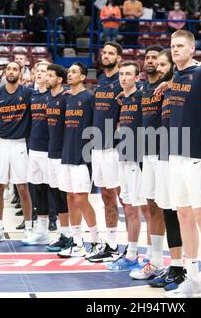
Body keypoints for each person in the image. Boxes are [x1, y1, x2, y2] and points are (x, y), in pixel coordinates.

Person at [160, 30, 201, 298]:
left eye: (181, 45)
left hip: (196, 155)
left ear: (192, 49)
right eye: (172, 46)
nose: (175, 49)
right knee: (183, 214)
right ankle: (193, 279)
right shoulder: (176, 75)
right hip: (175, 155)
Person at [146, 48, 186, 291]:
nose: (159, 68)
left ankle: (183, 269)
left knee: (180, 213)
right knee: (168, 211)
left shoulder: (184, 86)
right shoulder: (161, 89)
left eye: (163, 64)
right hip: (161, 154)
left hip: (180, 155)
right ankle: (175, 266)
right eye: (157, 64)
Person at [0, 61, 34, 243]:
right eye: (9, 69)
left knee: (22, 187)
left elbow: (46, 96)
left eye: (15, 69)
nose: (11, 71)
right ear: (5, 73)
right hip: (0, 143)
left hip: (20, 144)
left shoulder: (28, 94)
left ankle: (29, 229)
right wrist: (1, 129)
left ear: (21, 74)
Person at [129, 45, 166, 280]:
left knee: (167, 208)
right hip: (146, 152)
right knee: (151, 205)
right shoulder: (142, 89)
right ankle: (155, 260)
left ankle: (175, 263)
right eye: (148, 57)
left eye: (156, 58)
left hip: (166, 151)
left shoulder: (170, 87)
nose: (150, 61)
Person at [58, 62, 102, 258]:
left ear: (83, 77)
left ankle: (95, 240)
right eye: (68, 72)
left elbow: (97, 129)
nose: (69, 75)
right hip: (66, 154)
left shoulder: (89, 98)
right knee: (69, 197)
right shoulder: (66, 99)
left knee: (81, 199)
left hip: (83, 157)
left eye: (74, 72)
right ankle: (76, 241)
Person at [87, 42, 123, 263]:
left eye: (111, 53)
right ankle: (111, 244)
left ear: (118, 57)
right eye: (105, 52)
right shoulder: (101, 81)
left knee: (124, 199)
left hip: (114, 148)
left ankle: (132, 248)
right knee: (106, 197)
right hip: (98, 147)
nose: (106, 56)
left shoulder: (122, 80)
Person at [107, 60, 145, 271]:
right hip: (123, 156)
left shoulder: (141, 97)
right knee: (129, 206)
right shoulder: (123, 99)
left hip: (137, 159)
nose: (123, 78)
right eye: (121, 74)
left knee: (142, 209)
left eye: (128, 74)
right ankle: (131, 252)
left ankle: (144, 255)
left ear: (137, 77)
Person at [21, 61, 53, 246]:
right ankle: (41, 232)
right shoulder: (31, 96)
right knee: (39, 189)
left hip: (51, 151)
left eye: (44, 71)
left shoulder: (55, 95)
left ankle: (61, 230)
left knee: (54, 191)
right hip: (34, 148)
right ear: (33, 74)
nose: (41, 74)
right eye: (38, 71)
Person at [44, 63, 73, 252]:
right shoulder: (50, 99)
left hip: (63, 154)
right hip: (51, 153)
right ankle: (64, 234)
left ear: (59, 80)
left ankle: (71, 235)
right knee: (56, 194)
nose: (46, 78)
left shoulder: (66, 99)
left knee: (65, 195)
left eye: (50, 76)